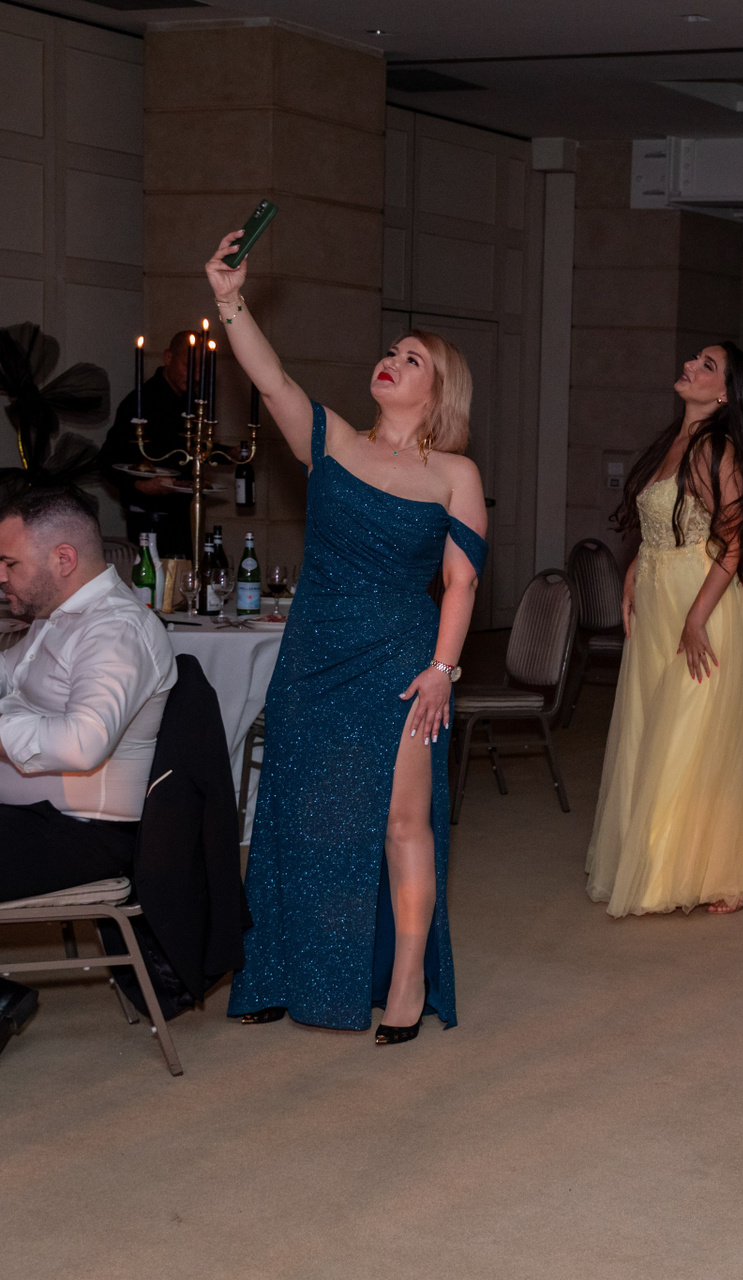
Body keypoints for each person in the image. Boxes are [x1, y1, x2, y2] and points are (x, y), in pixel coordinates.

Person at [206, 231, 489, 1045]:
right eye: (390, 352)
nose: (390, 362)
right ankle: (280, 969)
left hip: (403, 661)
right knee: (298, 811)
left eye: (411, 359)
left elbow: (462, 583)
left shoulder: (455, 475)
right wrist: (229, 300)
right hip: (313, 653)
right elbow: (271, 378)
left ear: (438, 390)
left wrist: (442, 670)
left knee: (402, 821)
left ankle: (406, 981)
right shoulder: (331, 439)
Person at [585, 343, 743, 916]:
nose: (690, 366)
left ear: (726, 393)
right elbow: (668, 520)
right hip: (661, 597)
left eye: (708, 366)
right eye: (694, 359)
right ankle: (657, 855)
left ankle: (713, 868)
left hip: (705, 600)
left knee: (695, 728)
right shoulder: (672, 441)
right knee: (652, 720)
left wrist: (697, 616)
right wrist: (636, 566)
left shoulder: (716, 448)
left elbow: (734, 541)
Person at [0, 483, 176, 1051]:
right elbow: (10, 679)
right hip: (38, 816)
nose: (1, 576)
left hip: (84, 833)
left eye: (9, 563)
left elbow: (83, 744)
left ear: (63, 558)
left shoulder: (115, 629)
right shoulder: (58, 614)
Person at [98, 330, 194, 556]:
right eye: (188, 366)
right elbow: (106, 461)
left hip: (181, 517)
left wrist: (229, 452)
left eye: (201, 369)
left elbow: (191, 449)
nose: (195, 375)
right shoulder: (139, 402)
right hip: (147, 521)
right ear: (168, 358)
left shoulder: (191, 403)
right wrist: (139, 485)